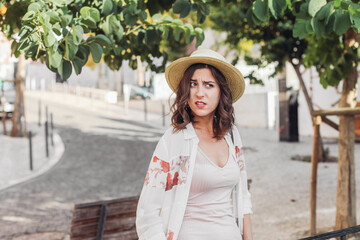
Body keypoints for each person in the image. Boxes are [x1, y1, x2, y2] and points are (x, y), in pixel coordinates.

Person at [136, 49, 253, 240]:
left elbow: (243, 198)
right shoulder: (173, 140)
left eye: (209, 85)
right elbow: (148, 211)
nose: (200, 93)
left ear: (221, 91)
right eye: (193, 84)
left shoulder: (232, 136)